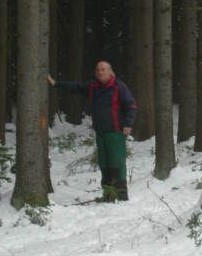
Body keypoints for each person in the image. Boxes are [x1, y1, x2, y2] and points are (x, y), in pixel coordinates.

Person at [47, 61, 137, 202]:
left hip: (116, 132)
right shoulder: (93, 87)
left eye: (103, 69)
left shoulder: (118, 86)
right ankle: (108, 194)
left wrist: (127, 123)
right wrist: (55, 83)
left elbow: (131, 105)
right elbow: (75, 88)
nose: (100, 72)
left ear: (110, 71)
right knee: (104, 164)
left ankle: (120, 196)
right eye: (98, 70)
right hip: (101, 133)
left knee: (117, 163)